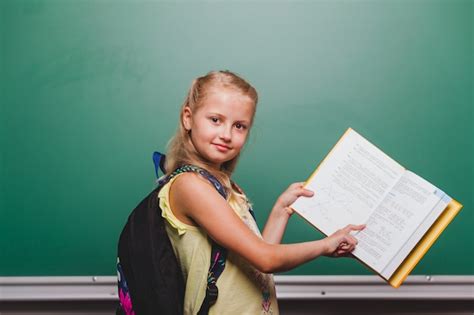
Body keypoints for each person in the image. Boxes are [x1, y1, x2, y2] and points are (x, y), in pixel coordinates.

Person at [159, 70, 365, 314]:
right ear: (188, 118)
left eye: (239, 126)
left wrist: (281, 211)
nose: (226, 134)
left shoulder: (225, 186)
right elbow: (265, 259)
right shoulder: (190, 186)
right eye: (215, 120)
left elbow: (254, 262)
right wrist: (324, 245)